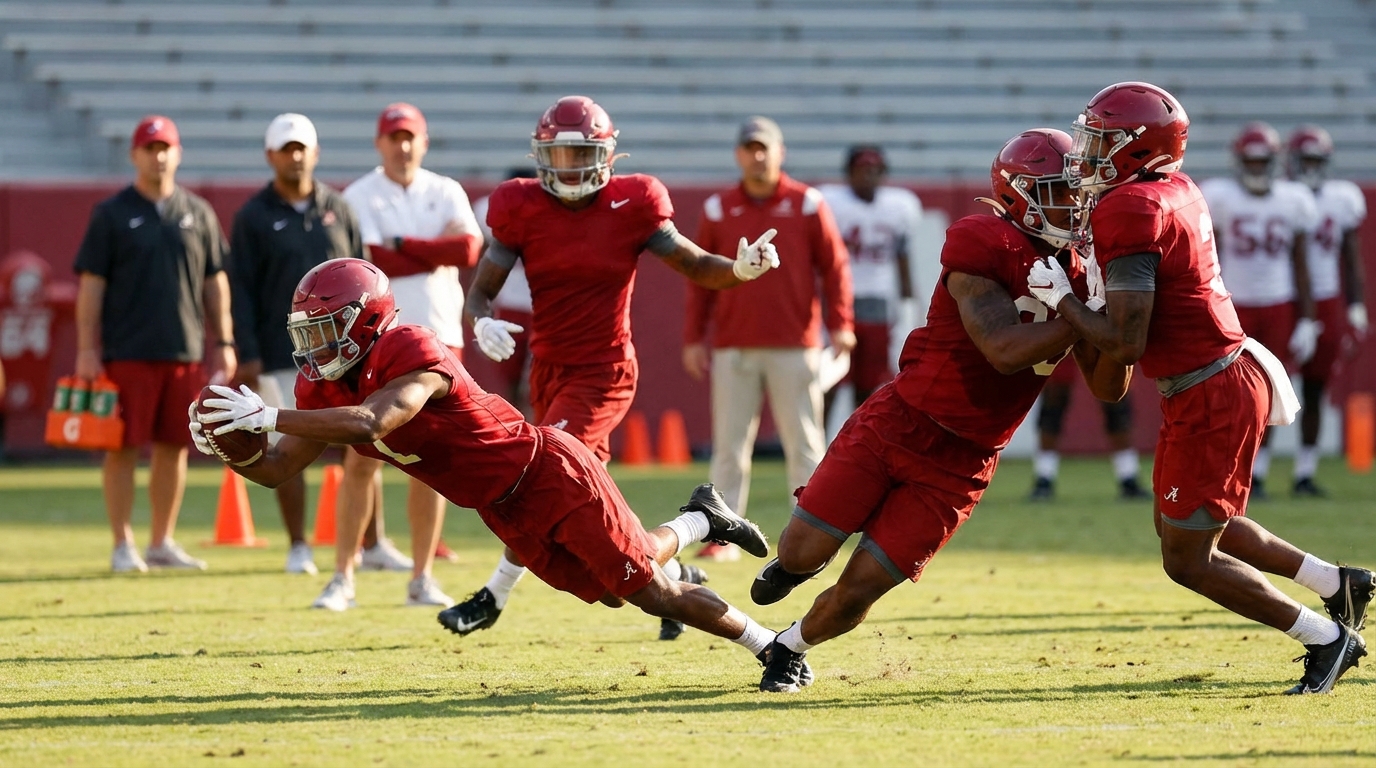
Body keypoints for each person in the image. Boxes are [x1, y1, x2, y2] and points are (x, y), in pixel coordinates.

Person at [188, 259, 792, 683]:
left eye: (325, 331)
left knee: (654, 594)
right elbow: (274, 471)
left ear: (365, 321)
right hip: (502, 507)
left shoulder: (413, 349)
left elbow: (373, 422)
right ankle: (698, 519)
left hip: (549, 473)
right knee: (613, 593)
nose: (314, 348)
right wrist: (233, 447)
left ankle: (773, 649)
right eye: (307, 334)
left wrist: (267, 414)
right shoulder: (319, 384)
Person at [748, 128, 1126, 693]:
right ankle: (794, 567)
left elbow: (1108, 388)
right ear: (1020, 191)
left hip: (964, 463)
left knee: (861, 591)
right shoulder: (982, 238)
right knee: (801, 551)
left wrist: (1106, 318)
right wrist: (1075, 313)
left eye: (1077, 192)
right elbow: (1000, 349)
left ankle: (789, 648)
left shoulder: (1082, 267)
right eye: (1058, 191)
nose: (1075, 204)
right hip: (901, 422)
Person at [1038, 81, 1371, 694]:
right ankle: (1337, 583)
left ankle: (1325, 639)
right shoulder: (1175, 189)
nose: (1087, 155)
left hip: (1211, 389)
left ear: (1137, 148)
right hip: (1213, 377)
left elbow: (1128, 342)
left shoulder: (1131, 207)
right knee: (1189, 523)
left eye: (1101, 141)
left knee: (1186, 558)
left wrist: (1062, 300)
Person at [450, 95, 781, 640]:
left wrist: (739, 272)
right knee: (586, 513)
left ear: (607, 155)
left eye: (582, 154)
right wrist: (481, 321)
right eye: (559, 157)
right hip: (549, 370)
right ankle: (679, 564)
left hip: (604, 371)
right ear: (540, 158)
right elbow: (481, 291)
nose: (571, 168)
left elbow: (696, 264)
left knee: (537, 481)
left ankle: (494, 594)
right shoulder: (520, 205)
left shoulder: (635, 201)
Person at [316, 103, 485, 610]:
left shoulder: (445, 189)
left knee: (432, 460)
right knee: (361, 454)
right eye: (394, 137)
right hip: (376, 340)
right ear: (379, 143)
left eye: (410, 136)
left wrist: (404, 245)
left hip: (438, 337)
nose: (402, 145)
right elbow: (368, 260)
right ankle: (344, 573)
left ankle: (422, 574)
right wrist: (427, 250)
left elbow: (468, 252)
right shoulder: (360, 194)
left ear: (424, 141)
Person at [229, 113, 408, 577]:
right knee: (291, 441)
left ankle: (372, 542)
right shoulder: (252, 216)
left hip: (350, 353)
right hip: (280, 349)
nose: (295, 156)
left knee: (364, 443)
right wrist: (246, 351)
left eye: (301, 147)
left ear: (315, 152)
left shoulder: (339, 207)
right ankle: (298, 544)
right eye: (286, 148)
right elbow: (241, 288)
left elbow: (367, 277)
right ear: (270, 155)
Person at [683, 116, 855, 561]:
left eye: (764, 148)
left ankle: (814, 536)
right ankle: (721, 537)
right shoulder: (719, 209)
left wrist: (840, 324)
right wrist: (693, 336)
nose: (757, 156)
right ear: (739, 154)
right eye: (749, 148)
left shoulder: (807, 203)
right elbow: (700, 275)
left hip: (795, 344)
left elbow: (834, 267)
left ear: (780, 152)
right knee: (729, 447)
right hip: (734, 344)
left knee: (805, 444)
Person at [74, 115, 235, 572]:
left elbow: (214, 282)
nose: (158, 156)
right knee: (122, 447)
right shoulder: (111, 213)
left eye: (165, 147)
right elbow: (91, 286)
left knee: (174, 447)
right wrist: (87, 348)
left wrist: (223, 340)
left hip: (183, 350)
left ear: (178, 153)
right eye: (150, 148)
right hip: (127, 351)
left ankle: (161, 542)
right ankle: (122, 542)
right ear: (134, 155)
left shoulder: (198, 212)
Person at [1199, 121, 1319, 500]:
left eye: (1261, 162)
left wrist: (1307, 317)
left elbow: (1302, 262)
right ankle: (1225, 468)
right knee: (1228, 391)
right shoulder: (1219, 197)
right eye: (1250, 163)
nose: (1256, 170)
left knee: (1268, 392)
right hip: (1233, 304)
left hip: (1279, 304)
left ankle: (1258, 473)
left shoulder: (1293, 199)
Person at [1286, 124, 1368, 496]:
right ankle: (1256, 473)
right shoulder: (1279, 196)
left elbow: (1351, 258)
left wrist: (1355, 305)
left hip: (1327, 299)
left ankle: (1304, 472)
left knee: (1316, 390)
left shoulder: (1341, 198)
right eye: (1305, 159)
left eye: (1316, 160)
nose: (1310, 166)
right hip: (1283, 300)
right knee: (1268, 390)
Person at [818, 145, 920, 413]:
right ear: (849, 173)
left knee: (867, 385)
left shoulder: (898, 207)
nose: (869, 177)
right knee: (827, 379)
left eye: (875, 171)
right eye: (862, 170)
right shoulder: (830, 203)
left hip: (878, 303)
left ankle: (856, 447)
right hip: (839, 303)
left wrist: (908, 308)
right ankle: (818, 448)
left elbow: (903, 259)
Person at [472, 168, 539, 417]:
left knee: (539, 380)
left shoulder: (549, 213)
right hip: (509, 303)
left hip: (543, 306)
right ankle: (516, 427)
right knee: (509, 376)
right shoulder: (489, 210)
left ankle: (538, 429)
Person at [1028, 363, 1147, 501]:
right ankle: (1044, 477)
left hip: (1101, 341)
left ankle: (1128, 476)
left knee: (1114, 394)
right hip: (1066, 343)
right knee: (1054, 397)